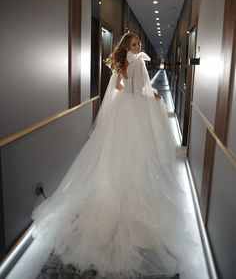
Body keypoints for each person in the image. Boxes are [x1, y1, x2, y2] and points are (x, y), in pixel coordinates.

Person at [32, 32, 194, 278]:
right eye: (134, 43)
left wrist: (129, 94)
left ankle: (115, 192)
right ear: (127, 46)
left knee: (113, 155)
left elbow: (119, 86)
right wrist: (155, 96)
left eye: (138, 43)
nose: (138, 46)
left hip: (121, 108)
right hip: (135, 109)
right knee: (137, 154)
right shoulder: (138, 61)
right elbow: (142, 90)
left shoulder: (122, 61)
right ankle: (132, 195)